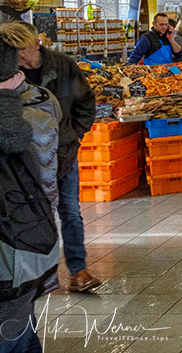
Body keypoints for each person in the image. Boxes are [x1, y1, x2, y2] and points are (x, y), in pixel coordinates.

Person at [4, 21, 101, 293]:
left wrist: (74, 136)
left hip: (63, 154)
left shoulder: (62, 65)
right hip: (23, 161)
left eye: (24, 50)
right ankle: (36, 275)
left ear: (37, 42)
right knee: (30, 215)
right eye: (14, 52)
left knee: (70, 210)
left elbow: (86, 103)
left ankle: (78, 270)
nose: (21, 57)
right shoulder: (7, 70)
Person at [0, 31, 61, 353]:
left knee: (16, 334)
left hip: (19, 240)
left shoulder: (30, 109)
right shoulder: (36, 102)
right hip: (28, 238)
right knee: (22, 332)